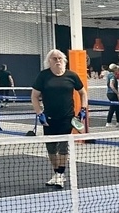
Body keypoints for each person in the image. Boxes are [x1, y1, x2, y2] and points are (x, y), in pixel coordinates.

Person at [31, 49, 85, 189]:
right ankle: (56, 173)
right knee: (50, 148)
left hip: (67, 118)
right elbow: (34, 96)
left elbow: (82, 93)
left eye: (60, 58)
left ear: (64, 60)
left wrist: (83, 109)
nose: (58, 61)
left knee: (63, 147)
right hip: (48, 118)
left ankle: (60, 174)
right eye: (54, 58)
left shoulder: (72, 76)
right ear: (49, 61)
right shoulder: (43, 76)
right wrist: (39, 113)